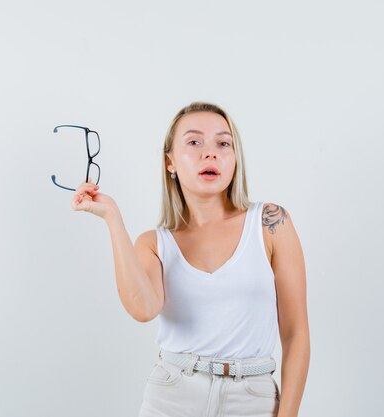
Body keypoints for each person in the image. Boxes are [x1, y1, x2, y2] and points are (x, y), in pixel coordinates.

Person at [70, 102, 310, 417]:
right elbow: (143, 309)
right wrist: (113, 219)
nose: (210, 153)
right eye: (194, 142)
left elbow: (296, 335)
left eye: (223, 143)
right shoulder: (154, 244)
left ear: (235, 158)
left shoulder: (270, 223)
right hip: (172, 397)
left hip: (252, 398)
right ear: (170, 161)